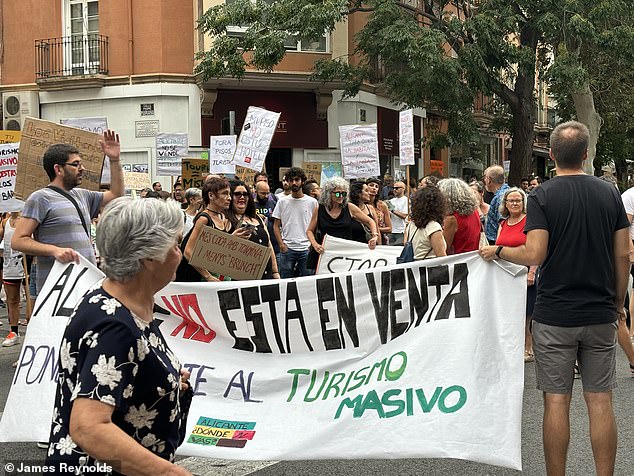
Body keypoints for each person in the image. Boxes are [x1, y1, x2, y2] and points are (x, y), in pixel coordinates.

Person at [480, 121, 630, 476]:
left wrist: (499, 251)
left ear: (551, 156)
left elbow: (534, 253)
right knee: (600, 401)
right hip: (598, 311)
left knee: (556, 402)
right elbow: (623, 254)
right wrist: (617, 302)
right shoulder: (609, 193)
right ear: (586, 153)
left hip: (554, 314)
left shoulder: (543, 196)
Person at [45, 197, 193, 475]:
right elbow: (88, 428)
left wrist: (164, 383)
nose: (180, 254)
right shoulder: (115, 325)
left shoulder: (117, 299)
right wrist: (169, 473)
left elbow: (121, 373)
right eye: (175, 244)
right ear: (149, 255)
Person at [12, 131, 124, 296]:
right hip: (58, 290)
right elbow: (18, 241)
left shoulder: (83, 195)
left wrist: (114, 160)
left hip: (86, 283)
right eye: (76, 164)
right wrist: (54, 250)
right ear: (58, 169)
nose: (82, 168)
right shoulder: (40, 198)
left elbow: (116, 194)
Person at [494, 187, 538, 362]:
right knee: (510, 314)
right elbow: (498, 248)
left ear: (523, 203)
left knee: (525, 316)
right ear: (505, 204)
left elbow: (535, 250)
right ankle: (513, 347)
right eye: (510, 200)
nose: (514, 203)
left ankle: (528, 348)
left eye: (517, 200)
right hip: (505, 276)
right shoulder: (502, 224)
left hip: (524, 274)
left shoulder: (529, 222)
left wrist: (532, 272)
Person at [179, 177, 251, 282]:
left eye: (229, 194)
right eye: (224, 193)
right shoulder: (204, 219)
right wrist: (208, 276)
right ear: (211, 195)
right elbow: (188, 252)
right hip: (202, 282)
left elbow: (216, 249)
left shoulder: (223, 216)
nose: (229, 198)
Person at [306, 177, 378, 269]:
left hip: (345, 253)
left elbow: (370, 221)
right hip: (324, 253)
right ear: (329, 194)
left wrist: (375, 236)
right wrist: (315, 245)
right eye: (337, 193)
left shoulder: (349, 207)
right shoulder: (319, 208)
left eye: (343, 193)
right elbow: (309, 231)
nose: (340, 196)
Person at [226, 180, 280, 279]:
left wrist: (275, 272)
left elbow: (269, 246)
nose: (242, 197)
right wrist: (231, 239)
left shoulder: (257, 218)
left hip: (266, 276)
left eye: (245, 194)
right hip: (241, 279)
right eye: (237, 194)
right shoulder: (224, 219)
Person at [272, 167, 318, 278]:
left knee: (307, 282)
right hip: (288, 248)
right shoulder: (282, 201)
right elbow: (276, 226)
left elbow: (315, 226)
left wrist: (312, 244)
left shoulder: (312, 202)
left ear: (302, 181)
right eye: (291, 180)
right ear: (287, 181)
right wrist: (281, 245)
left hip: (306, 248)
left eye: (297, 180)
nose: (294, 183)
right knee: (285, 281)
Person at [1, 211, 25, 347]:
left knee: (31, 300)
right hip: (9, 265)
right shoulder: (5, 222)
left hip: (25, 264)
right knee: (12, 300)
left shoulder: (25, 220)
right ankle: (14, 331)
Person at [438, 178, 480, 254]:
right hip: (473, 258)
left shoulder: (452, 219)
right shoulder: (474, 211)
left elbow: (444, 248)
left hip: (458, 260)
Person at [405, 186, 447, 259]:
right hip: (430, 268)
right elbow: (442, 258)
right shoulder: (433, 227)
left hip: (415, 267)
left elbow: (406, 244)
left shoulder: (411, 224)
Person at [483, 165, 509, 244]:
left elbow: (503, 224)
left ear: (488, 180)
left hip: (496, 244)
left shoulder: (500, 198)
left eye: (485, 177)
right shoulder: (506, 193)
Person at [254, 180, 279, 258]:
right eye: (263, 193)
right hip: (258, 246)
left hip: (274, 245)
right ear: (256, 192)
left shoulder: (273, 203)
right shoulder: (251, 205)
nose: (266, 196)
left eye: (268, 193)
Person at [366, 177, 392, 245]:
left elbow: (389, 228)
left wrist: (375, 230)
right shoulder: (360, 204)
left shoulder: (382, 205)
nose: (374, 188)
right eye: (371, 185)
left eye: (376, 186)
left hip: (380, 239)